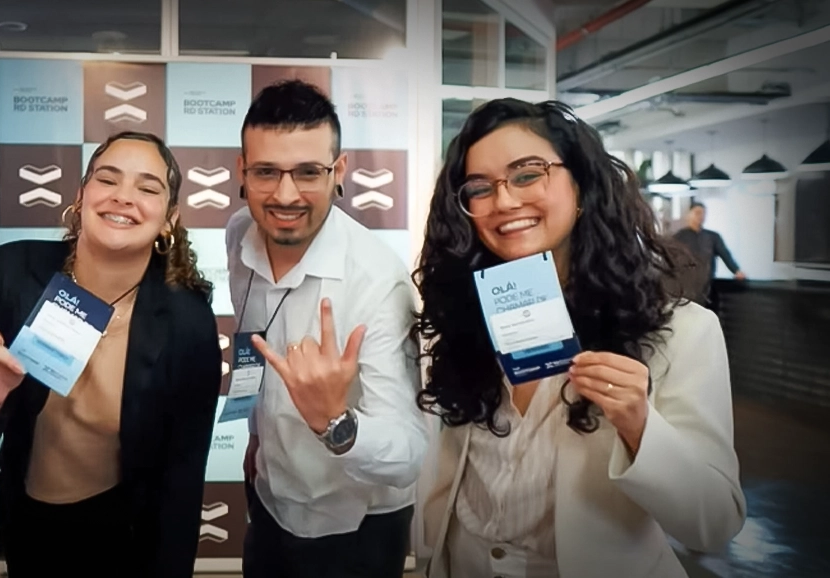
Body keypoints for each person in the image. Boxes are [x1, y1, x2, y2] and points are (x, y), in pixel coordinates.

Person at [414, 99, 746, 578]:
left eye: (528, 175)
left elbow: (715, 522)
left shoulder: (680, 332)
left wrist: (638, 425)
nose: (504, 201)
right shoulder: (464, 321)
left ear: (582, 188)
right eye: (479, 188)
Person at [0, 131, 222, 577]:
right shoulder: (15, 272)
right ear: (81, 195)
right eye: (108, 180)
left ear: (169, 218)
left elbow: (182, 479)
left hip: (126, 542)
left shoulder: (188, 319)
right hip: (30, 528)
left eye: (147, 188)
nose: (124, 197)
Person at [227, 79, 429, 578]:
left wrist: (333, 421)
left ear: (339, 172)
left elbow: (408, 454)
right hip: (271, 498)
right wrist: (259, 437)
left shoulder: (378, 282)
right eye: (267, 172)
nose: (285, 194)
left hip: (354, 529)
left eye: (308, 172)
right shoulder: (240, 235)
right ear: (242, 171)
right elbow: (258, 349)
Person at [672, 201, 745, 311]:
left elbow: (725, 255)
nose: (701, 216)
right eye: (697, 213)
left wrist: (736, 271)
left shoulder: (712, 237)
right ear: (689, 214)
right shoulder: (678, 237)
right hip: (685, 286)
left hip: (707, 285)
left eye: (703, 213)